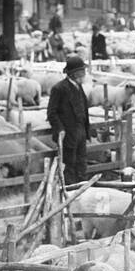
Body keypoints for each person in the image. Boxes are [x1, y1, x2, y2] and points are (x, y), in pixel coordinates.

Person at [47, 56, 91, 185]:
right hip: (67, 134)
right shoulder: (59, 89)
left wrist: (86, 130)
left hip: (81, 132)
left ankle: (82, 188)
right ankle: (69, 190)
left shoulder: (79, 87)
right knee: (69, 164)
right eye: (81, 71)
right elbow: (52, 112)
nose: (84, 74)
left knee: (82, 162)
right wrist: (60, 129)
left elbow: (83, 108)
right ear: (74, 73)